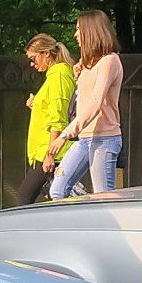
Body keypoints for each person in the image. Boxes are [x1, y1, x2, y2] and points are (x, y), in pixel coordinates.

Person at [48, 10, 123, 199]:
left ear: (91, 32)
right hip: (84, 139)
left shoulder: (110, 61)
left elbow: (96, 103)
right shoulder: (88, 64)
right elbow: (83, 101)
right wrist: (79, 76)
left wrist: (65, 134)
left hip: (104, 139)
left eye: (79, 30)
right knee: (57, 190)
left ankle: (112, 219)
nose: (75, 35)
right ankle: (80, 218)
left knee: (103, 197)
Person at [16, 34, 76, 206]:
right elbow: (52, 108)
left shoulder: (59, 76)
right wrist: (36, 104)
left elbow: (58, 118)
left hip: (51, 152)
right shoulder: (54, 76)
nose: (32, 64)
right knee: (55, 200)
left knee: (24, 197)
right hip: (46, 151)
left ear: (46, 53)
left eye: (33, 58)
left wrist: (50, 155)